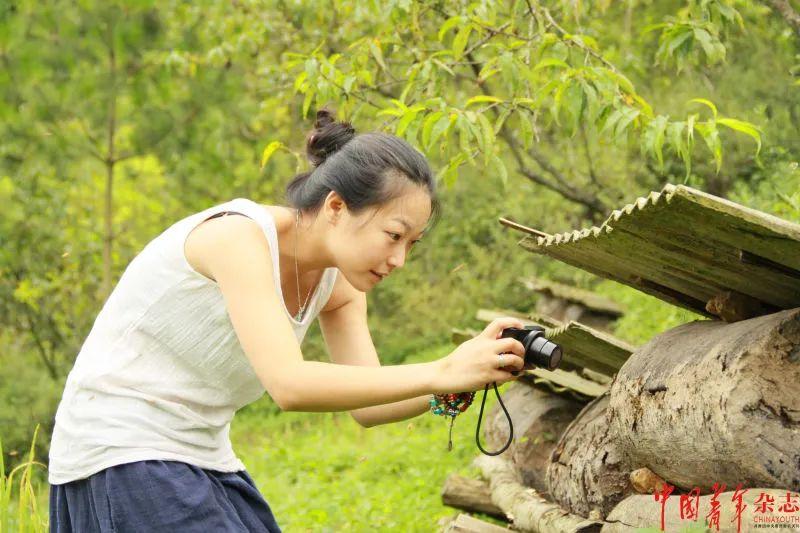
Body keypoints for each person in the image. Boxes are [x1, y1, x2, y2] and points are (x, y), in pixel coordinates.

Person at [47, 109, 527, 532]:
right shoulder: (237, 238)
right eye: (393, 235)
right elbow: (290, 385)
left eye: (411, 245)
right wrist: (445, 368)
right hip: (119, 450)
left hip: (199, 454)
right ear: (336, 207)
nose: (399, 259)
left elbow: (369, 404)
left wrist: (463, 382)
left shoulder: (339, 285)